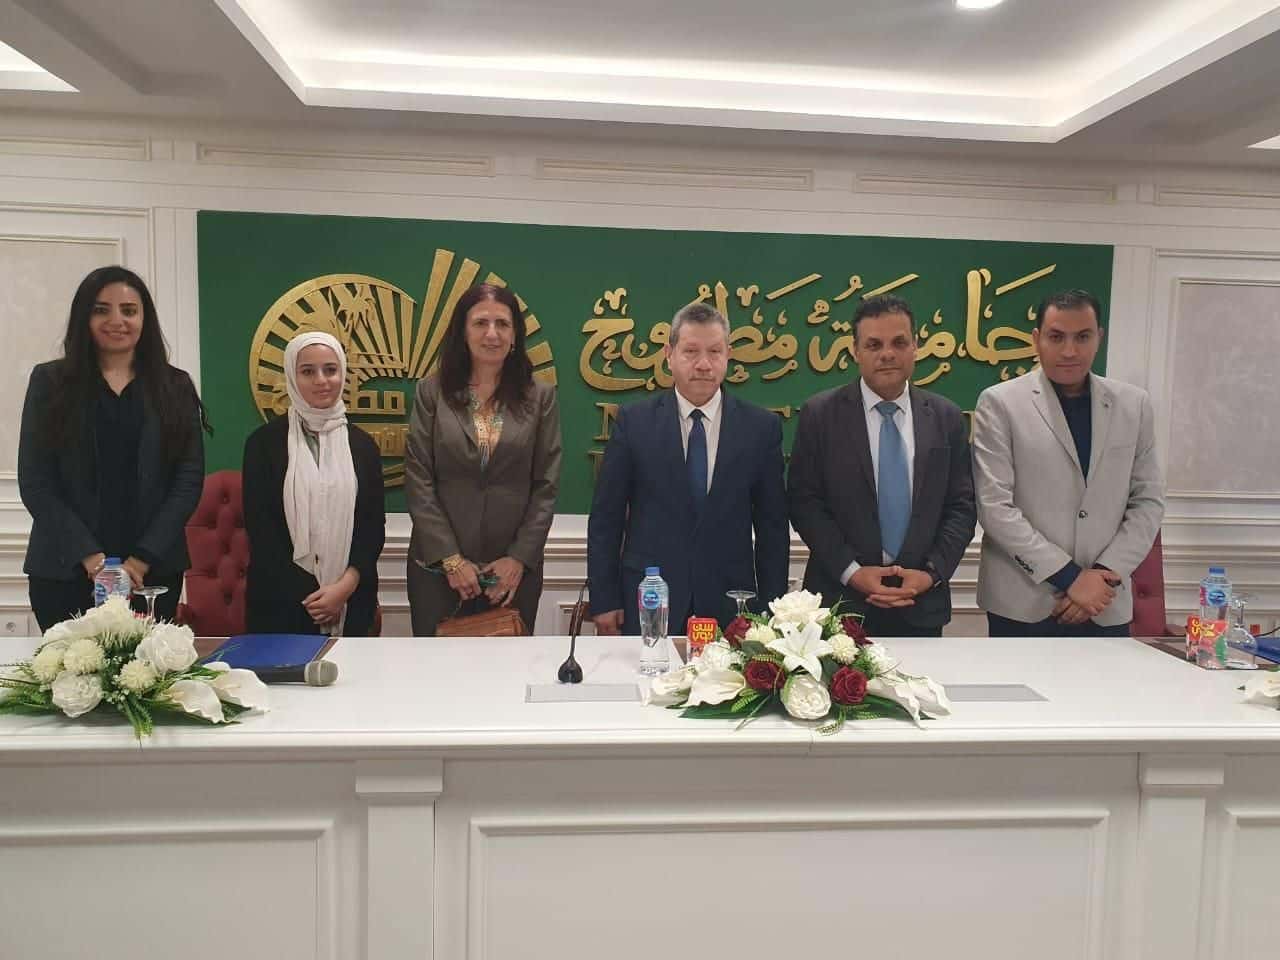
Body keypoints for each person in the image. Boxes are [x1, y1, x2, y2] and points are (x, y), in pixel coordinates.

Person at [18, 265, 210, 631]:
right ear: (84, 317)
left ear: (144, 319)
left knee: (146, 668)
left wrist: (139, 561)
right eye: (101, 309)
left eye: (129, 310)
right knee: (70, 668)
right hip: (65, 570)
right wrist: (92, 559)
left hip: (152, 575)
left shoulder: (175, 386)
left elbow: (187, 481)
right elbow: (36, 482)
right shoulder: (50, 382)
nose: (117, 320)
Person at [587, 302, 789, 635]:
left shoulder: (760, 428)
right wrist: (605, 599)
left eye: (715, 352)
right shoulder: (634, 422)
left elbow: (773, 528)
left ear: (728, 355)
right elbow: (606, 518)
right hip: (650, 599)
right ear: (669, 355)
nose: (704, 364)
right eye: (691, 351)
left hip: (731, 604)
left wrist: (773, 609)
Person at [973, 289, 1165, 636]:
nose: (1069, 351)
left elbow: (1148, 502)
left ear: (1099, 338)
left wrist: (1102, 576)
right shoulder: (999, 403)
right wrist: (1070, 578)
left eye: (1083, 337)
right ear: (1036, 339)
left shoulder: (1134, 405)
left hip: (1104, 602)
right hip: (1023, 604)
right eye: (1057, 337)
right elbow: (994, 507)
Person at [788, 294, 976, 637]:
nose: (887, 354)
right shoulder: (820, 415)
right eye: (874, 344)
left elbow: (961, 506)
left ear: (915, 346)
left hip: (921, 603)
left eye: (899, 343)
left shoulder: (946, 417)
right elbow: (805, 504)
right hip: (841, 604)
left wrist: (931, 574)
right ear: (855, 351)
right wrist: (853, 572)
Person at [404, 283, 562, 635]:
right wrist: (451, 560)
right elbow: (418, 479)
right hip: (438, 572)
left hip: (511, 576)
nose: (492, 334)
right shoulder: (431, 392)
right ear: (462, 331)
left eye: (502, 324)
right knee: (436, 668)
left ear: (515, 335)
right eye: (480, 323)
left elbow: (546, 486)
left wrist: (518, 559)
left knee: (508, 667)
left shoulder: (540, 397)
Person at [242, 331, 385, 636]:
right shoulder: (263, 445)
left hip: (351, 599)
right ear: (292, 377)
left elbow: (372, 529)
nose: (322, 380)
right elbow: (262, 530)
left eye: (330, 370)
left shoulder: (364, 446)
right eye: (308, 371)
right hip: (281, 602)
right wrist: (313, 596)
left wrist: (343, 588)